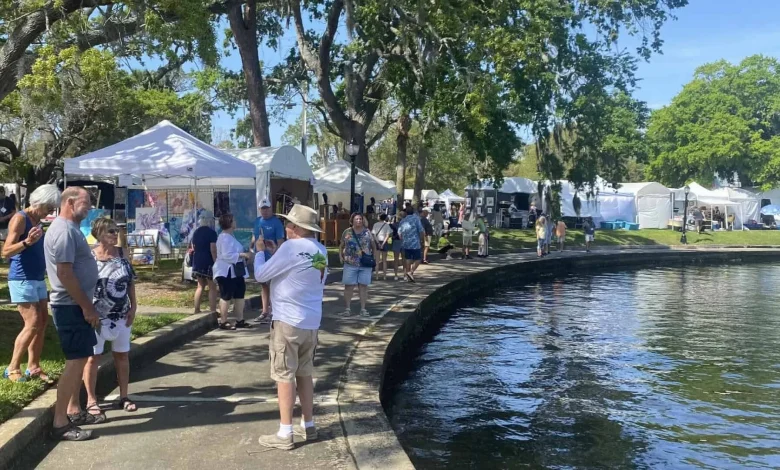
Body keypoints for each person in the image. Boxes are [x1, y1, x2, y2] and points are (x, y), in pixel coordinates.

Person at [253, 204, 328, 450]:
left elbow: (261, 275)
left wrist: (260, 252)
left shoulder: (290, 247)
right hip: (311, 321)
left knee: (284, 375)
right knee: (305, 373)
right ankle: (309, 425)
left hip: (288, 320)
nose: (285, 227)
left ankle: (285, 433)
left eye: (289, 224)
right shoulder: (321, 251)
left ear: (297, 228)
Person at [44, 187, 100, 441]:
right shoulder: (64, 231)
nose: (90, 207)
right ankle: (60, 422)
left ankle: (73, 410)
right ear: (69, 202)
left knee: (80, 358)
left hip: (76, 306)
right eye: (86, 203)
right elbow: (65, 274)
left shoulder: (71, 229)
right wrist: (87, 307)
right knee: (75, 361)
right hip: (70, 307)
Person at [2, 184, 60, 383]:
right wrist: (26, 242)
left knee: (43, 321)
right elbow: (6, 251)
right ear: (40, 202)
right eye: (50, 207)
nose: (52, 211)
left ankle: (33, 367)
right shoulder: (20, 218)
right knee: (32, 322)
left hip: (37, 278)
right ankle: (12, 367)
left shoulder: (38, 221)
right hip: (21, 278)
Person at [83, 218, 138, 422]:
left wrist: (134, 307)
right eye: (110, 232)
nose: (115, 235)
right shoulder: (89, 256)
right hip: (97, 317)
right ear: (99, 234)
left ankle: (123, 396)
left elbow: (130, 281)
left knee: (122, 356)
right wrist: (88, 310)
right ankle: (91, 400)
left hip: (121, 315)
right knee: (93, 358)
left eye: (116, 231)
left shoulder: (122, 253)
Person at [215, 214, 252, 330]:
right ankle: (223, 321)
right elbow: (227, 255)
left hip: (236, 271)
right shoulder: (224, 237)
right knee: (226, 295)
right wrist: (242, 255)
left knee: (239, 293)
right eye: (234, 220)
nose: (235, 222)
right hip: (226, 271)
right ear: (229, 223)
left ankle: (240, 320)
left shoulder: (231, 236)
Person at [252, 199, 285, 324]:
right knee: (263, 284)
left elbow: (280, 241)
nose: (265, 211)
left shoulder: (276, 223)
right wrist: (251, 249)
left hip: (272, 258)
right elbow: (255, 237)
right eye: (263, 208)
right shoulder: (257, 221)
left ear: (271, 208)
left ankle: (274, 311)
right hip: (261, 257)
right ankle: (265, 311)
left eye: (267, 208)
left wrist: (278, 257)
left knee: (273, 285)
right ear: (260, 209)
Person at [340, 213, 377, 316]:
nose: (359, 221)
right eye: (356, 219)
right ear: (352, 220)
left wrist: (374, 259)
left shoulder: (367, 232)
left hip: (365, 264)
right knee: (349, 286)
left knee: (363, 287)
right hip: (350, 263)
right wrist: (340, 255)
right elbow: (341, 245)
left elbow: (373, 246)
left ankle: (363, 309)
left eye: (360, 219)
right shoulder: (347, 232)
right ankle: (347, 308)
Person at [191, 212, 218, 315]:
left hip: (197, 260)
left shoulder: (196, 232)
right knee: (212, 287)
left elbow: (193, 247)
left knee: (200, 286)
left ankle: (196, 309)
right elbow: (213, 249)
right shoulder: (212, 233)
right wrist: (216, 262)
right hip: (208, 261)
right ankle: (212, 310)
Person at [398, 206, 424, 281]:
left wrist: (403, 239)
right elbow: (421, 230)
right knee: (418, 259)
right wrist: (421, 239)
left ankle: (408, 273)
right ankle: (411, 272)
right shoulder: (416, 219)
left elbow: (399, 233)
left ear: (406, 212)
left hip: (406, 243)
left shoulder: (403, 221)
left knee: (408, 258)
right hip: (415, 243)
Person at [371, 214, 393, 280]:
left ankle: (377, 276)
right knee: (384, 261)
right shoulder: (386, 225)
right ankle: (384, 276)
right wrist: (383, 244)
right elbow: (388, 235)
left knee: (377, 260)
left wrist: (378, 242)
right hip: (384, 242)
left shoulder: (375, 224)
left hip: (377, 242)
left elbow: (374, 235)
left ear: (379, 217)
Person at [390, 211, 405, 279]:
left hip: (396, 241)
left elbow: (391, 234)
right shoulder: (406, 225)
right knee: (404, 259)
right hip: (404, 242)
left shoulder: (394, 225)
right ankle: (405, 275)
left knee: (396, 259)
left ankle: (396, 275)